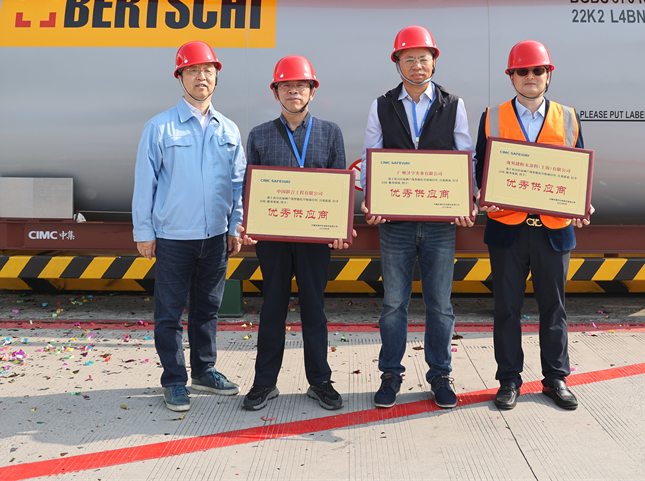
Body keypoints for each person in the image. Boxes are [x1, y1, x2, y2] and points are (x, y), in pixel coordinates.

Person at [359, 25, 477, 409]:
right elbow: (372, 154)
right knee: (393, 304)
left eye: (423, 58)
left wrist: (467, 200)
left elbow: (465, 156)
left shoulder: (453, 105)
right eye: (408, 59)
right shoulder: (381, 106)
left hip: (440, 223)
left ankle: (440, 374)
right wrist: (371, 199)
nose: (416, 65)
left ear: (434, 61)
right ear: (397, 63)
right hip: (395, 224)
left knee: (440, 305)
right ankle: (390, 374)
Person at [474, 40, 593, 412]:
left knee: (553, 308)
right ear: (511, 76)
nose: (530, 76)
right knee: (506, 309)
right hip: (506, 230)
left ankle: (556, 378)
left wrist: (582, 201)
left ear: (548, 75)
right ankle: (509, 380)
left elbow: (578, 168)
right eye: (522, 71)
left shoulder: (568, 117)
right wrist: (481, 193)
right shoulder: (492, 116)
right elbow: (480, 168)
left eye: (537, 70)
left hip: (553, 230)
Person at [132, 40, 245, 413]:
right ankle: (174, 380)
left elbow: (238, 184)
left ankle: (204, 371)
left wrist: (235, 226)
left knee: (207, 309)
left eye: (208, 70)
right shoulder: (159, 127)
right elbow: (145, 183)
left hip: (215, 238)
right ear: (180, 76)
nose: (202, 77)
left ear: (216, 76)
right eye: (193, 70)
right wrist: (143, 232)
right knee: (169, 313)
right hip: (174, 238)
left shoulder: (229, 129)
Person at [238, 55, 355, 411]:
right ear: (275, 92)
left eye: (301, 85)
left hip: (314, 239)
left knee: (314, 309)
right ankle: (264, 383)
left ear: (312, 91)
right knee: (272, 307)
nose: (293, 91)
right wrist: (248, 224)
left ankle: (319, 381)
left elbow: (338, 186)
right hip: (273, 240)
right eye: (286, 86)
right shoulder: (259, 134)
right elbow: (250, 187)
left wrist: (339, 227)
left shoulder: (330, 132)